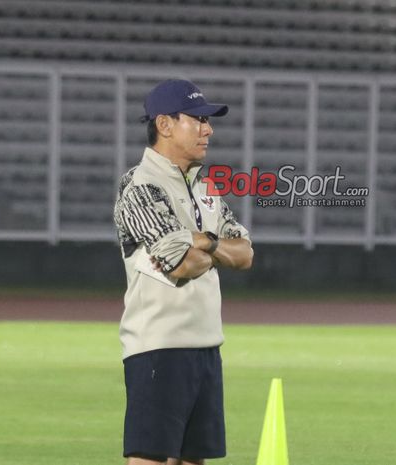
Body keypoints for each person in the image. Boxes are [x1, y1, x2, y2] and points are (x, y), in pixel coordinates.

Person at [113, 79, 254, 465]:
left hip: (206, 348)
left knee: (194, 460)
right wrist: (212, 248)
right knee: (152, 460)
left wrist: (201, 241)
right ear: (165, 124)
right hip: (158, 348)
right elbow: (183, 263)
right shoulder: (140, 187)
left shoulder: (206, 188)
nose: (209, 129)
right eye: (198, 120)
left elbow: (244, 255)